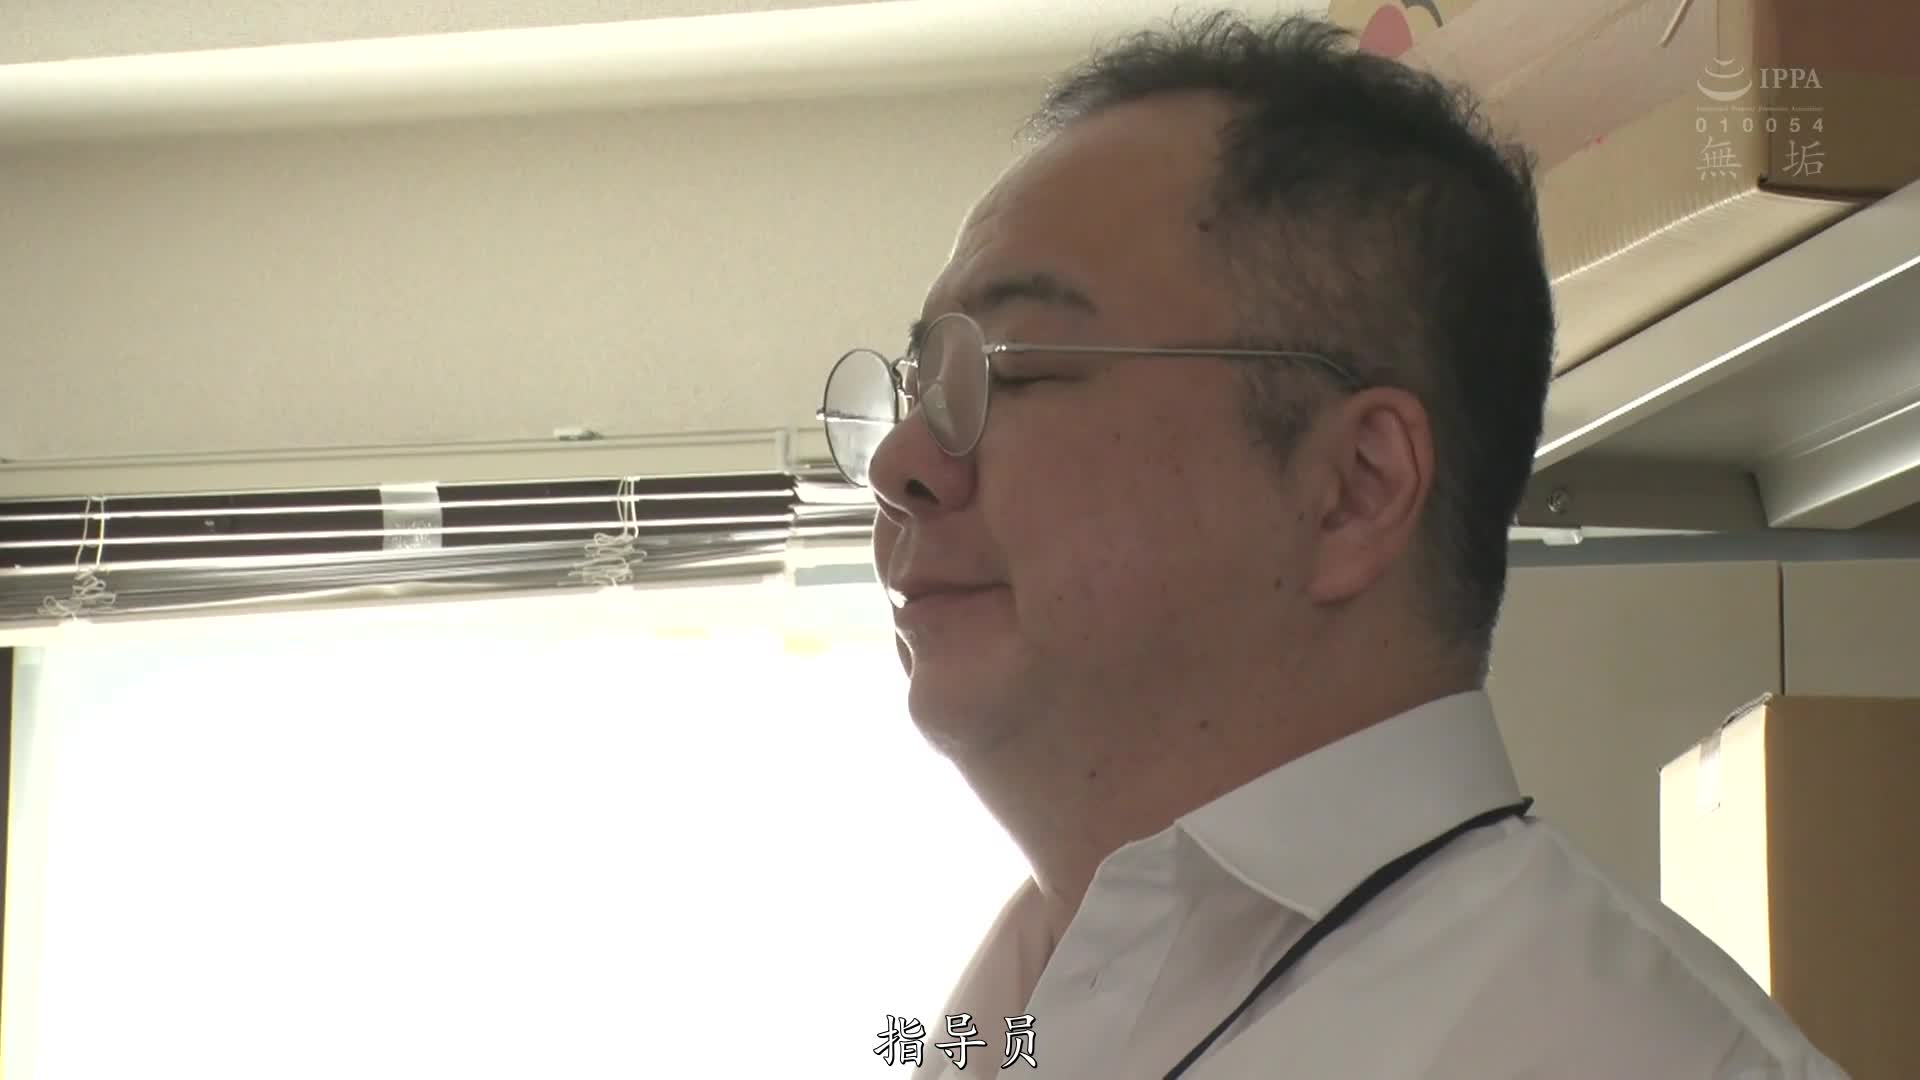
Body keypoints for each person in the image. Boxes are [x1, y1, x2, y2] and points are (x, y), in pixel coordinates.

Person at [818, 11, 1848, 1079]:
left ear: (1355, 489)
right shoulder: (1023, 1003)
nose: (901, 460)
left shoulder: (1637, 1055)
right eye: (920, 384)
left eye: (1016, 367)